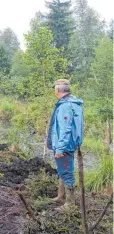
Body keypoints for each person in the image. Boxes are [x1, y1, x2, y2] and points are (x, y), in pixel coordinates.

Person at [46, 79, 84, 211]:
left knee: (67, 173)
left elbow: (65, 129)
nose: (54, 91)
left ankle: (70, 204)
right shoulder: (75, 103)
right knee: (63, 170)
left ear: (58, 90)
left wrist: (60, 148)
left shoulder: (65, 106)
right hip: (71, 143)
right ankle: (60, 196)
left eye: (54, 88)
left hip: (65, 145)